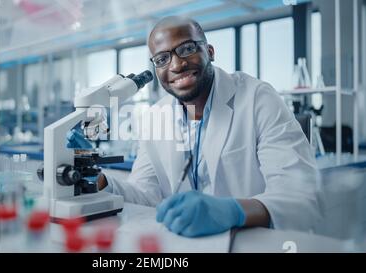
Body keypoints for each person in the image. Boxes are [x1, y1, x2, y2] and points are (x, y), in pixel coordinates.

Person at [69, 16, 321, 237]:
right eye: (162, 58)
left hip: (249, 241)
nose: (177, 65)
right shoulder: (156, 116)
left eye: (187, 48)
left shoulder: (257, 98)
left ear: (209, 51)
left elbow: (301, 197)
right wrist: (98, 180)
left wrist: (233, 211)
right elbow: (147, 196)